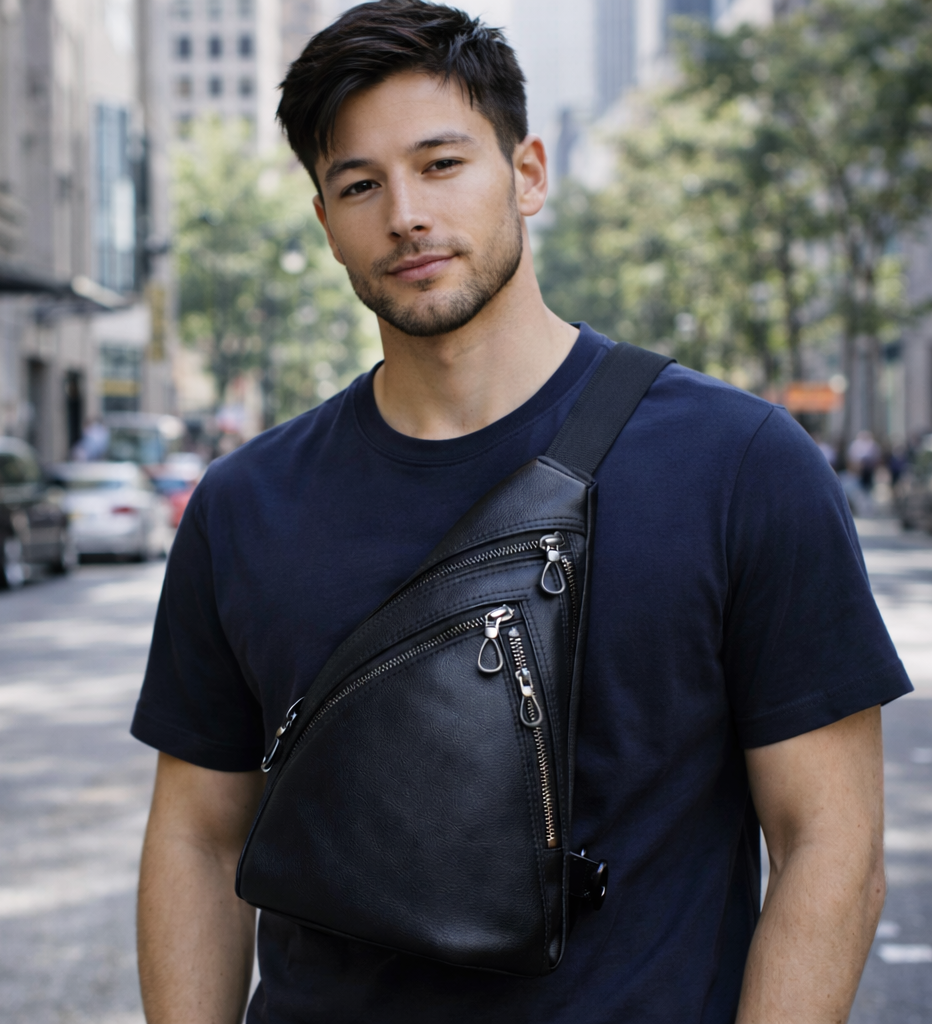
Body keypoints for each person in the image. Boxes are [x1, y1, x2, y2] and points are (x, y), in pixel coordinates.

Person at [131, 3, 911, 1022]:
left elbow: (828, 843)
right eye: (359, 184)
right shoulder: (242, 506)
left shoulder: (743, 463)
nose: (404, 213)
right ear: (325, 223)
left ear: (528, 173)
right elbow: (200, 835)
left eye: (442, 164)